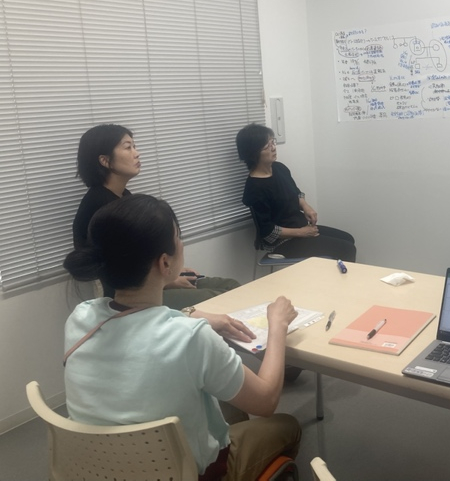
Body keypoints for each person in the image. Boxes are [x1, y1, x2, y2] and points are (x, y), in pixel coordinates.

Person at [63, 194, 301, 479]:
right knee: (287, 426)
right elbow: (266, 401)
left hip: (100, 470)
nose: (182, 243)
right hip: (191, 473)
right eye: (178, 236)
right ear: (165, 263)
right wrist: (278, 325)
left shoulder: (80, 318)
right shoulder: (192, 339)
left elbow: (137, 326)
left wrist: (189, 315)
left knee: (225, 400)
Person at [72, 124, 239, 310]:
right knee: (224, 298)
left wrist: (170, 271)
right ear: (105, 160)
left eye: (134, 146)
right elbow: (122, 270)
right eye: (128, 147)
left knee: (231, 286)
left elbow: (144, 251)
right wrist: (168, 280)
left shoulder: (123, 196)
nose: (137, 153)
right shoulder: (102, 206)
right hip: (132, 297)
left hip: (153, 280)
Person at [236, 123, 356, 262]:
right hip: (283, 242)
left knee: (348, 239)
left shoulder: (279, 168)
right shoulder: (255, 188)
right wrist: (302, 233)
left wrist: (305, 206)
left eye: (273, 142)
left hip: (300, 228)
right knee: (347, 249)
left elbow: (295, 192)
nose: (273, 148)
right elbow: (267, 232)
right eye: (267, 146)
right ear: (253, 153)